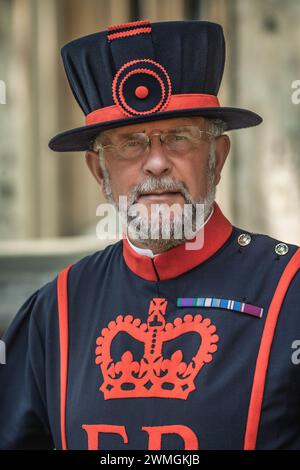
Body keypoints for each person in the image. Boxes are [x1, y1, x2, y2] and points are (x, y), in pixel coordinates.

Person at [0, 19, 299, 451]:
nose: (156, 164)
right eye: (129, 143)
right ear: (98, 170)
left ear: (217, 156)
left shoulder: (290, 289)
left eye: (178, 138)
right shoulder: (59, 306)